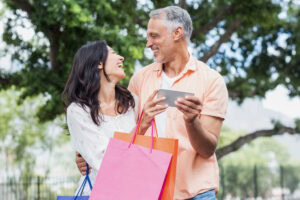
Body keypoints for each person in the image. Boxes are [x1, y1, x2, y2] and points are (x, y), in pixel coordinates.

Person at [76, 6, 228, 200]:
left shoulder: (211, 81)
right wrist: (87, 154)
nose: (148, 44)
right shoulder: (140, 79)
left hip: (196, 193)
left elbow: (208, 149)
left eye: (154, 36)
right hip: (150, 191)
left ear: (177, 33)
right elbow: (121, 129)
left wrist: (192, 121)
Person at [62, 40, 161, 195]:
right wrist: (141, 126)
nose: (121, 58)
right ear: (98, 63)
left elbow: (146, 148)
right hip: (99, 193)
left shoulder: (132, 102)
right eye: (114, 53)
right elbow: (104, 162)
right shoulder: (78, 111)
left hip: (135, 193)